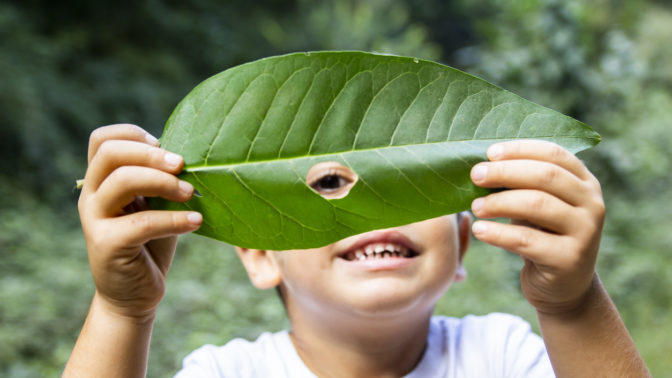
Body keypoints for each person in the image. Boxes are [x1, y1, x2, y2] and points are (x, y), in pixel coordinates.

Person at [63, 123, 649, 377]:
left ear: (462, 243)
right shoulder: (228, 373)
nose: (367, 211)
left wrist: (572, 304)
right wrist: (122, 311)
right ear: (262, 255)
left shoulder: (502, 356)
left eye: (405, 189)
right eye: (326, 187)